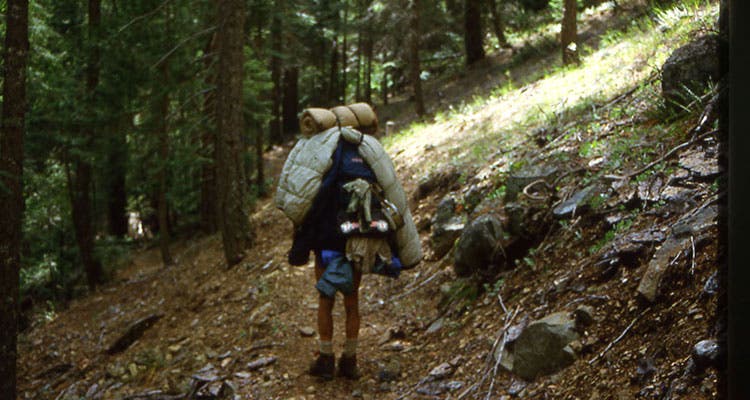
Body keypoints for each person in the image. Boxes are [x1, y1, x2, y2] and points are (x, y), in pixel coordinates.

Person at [275, 103, 423, 380]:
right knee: (352, 300)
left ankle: (326, 358)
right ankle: (350, 360)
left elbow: (305, 195)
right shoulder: (367, 151)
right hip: (358, 235)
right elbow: (392, 192)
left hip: (326, 238)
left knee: (325, 298)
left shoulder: (321, 150)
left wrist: (301, 234)